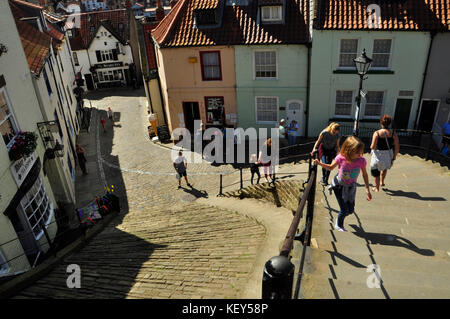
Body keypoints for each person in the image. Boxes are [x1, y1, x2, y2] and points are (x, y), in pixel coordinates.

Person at [314, 136, 372, 232]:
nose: (360, 154)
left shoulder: (361, 161)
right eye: (357, 152)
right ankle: (339, 224)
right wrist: (319, 164)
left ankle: (342, 217)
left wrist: (367, 190)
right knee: (344, 210)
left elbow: (365, 175)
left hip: (351, 187)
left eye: (360, 152)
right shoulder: (341, 158)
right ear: (349, 150)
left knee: (350, 210)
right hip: (339, 186)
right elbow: (330, 167)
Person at [369, 115, 400, 192]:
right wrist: (395, 156)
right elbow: (397, 146)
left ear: (381, 123)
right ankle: (382, 182)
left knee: (376, 172)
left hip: (378, 155)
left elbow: (372, 147)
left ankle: (376, 187)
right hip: (388, 154)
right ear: (389, 123)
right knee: (385, 168)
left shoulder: (377, 133)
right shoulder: (393, 133)